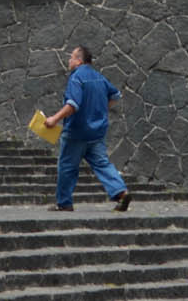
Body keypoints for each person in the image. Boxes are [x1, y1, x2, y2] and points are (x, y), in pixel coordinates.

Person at [47, 43, 130, 212]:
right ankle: (121, 192)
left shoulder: (76, 77)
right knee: (102, 164)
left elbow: (73, 104)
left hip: (76, 132)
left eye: (71, 57)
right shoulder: (99, 77)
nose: (69, 60)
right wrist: (100, 108)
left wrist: (54, 119)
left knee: (67, 166)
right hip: (97, 132)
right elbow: (115, 95)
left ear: (79, 61)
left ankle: (64, 203)